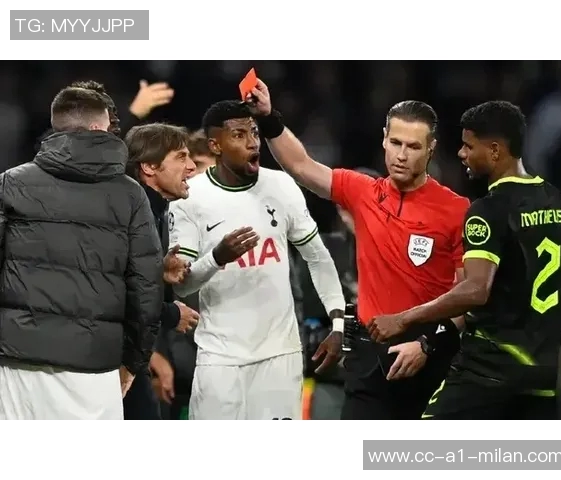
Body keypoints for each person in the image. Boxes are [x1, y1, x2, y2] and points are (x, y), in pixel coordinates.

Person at [247, 79, 468, 420]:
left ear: (431, 148)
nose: (401, 155)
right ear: (384, 138)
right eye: (395, 143)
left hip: (429, 356)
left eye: (413, 146)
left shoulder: (456, 209)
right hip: (367, 359)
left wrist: (427, 345)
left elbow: (468, 296)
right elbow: (301, 165)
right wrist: (267, 118)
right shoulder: (363, 191)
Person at [370, 100, 561, 419]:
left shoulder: (488, 210)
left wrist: (403, 319)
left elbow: (475, 290)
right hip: (541, 374)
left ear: (494, 150)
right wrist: (540, 324)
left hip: (487, 371)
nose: (461, 154)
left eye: (468, 146)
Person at [168, 100, 346, 420]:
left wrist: (338, 323)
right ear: (215, 146)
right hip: (220, 358)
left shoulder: (281, 185)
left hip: (280, 357)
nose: (252, 142)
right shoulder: (188, 198)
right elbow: (182, 287)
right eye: (239, 135)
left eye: (254, 132)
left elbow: (317, 256)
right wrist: (217, 258)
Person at [0, 85, 164, 419]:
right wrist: (134, 361)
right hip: (96, 366)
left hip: (18, 361)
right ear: (99, 127)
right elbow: (146, 288)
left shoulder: (10, 183)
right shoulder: (131, 195)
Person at [123, 122, 200, 420]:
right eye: (181, 157)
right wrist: (170, 313)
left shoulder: (157, 211)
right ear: (149, 167)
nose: (191, 167)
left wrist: (160, 274)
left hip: (131, 354)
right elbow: (118, 290)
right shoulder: (132, 213)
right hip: (112, 356)